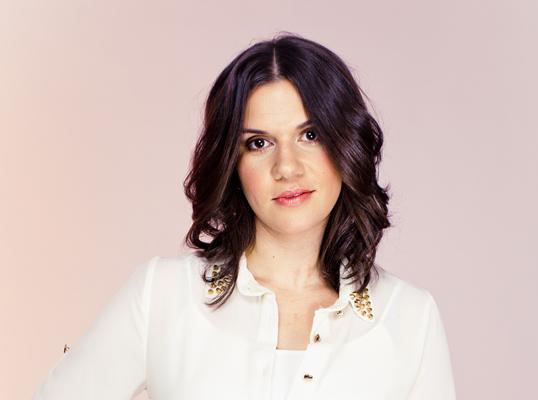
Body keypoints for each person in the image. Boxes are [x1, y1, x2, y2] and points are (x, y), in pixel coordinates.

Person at [33, 32, 457, 400]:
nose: (287, 167)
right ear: (231, 162)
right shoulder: (163, 295)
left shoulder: (408, 318)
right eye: (258, 143)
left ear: (346, 145)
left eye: (310, 135)